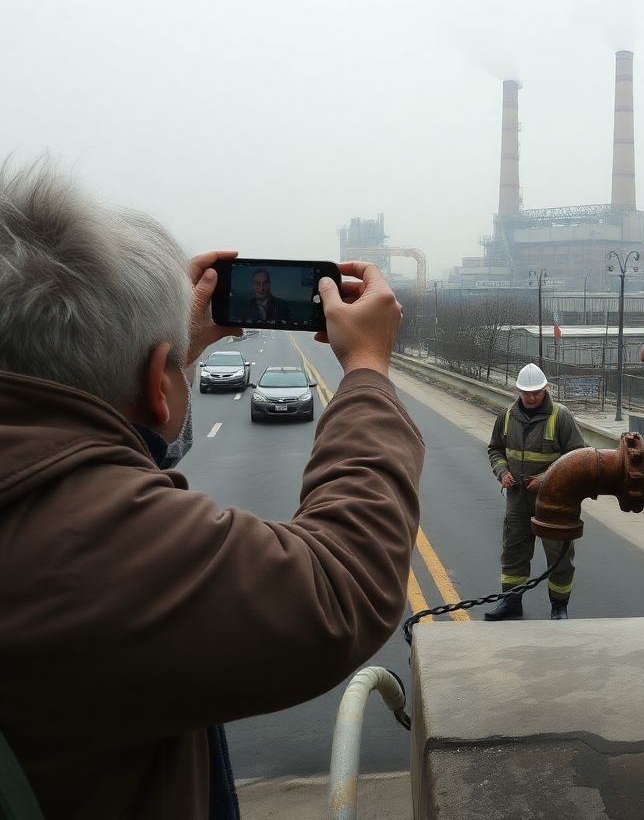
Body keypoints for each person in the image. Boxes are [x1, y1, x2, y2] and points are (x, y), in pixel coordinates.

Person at [0, 159, 424, 819]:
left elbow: (105, 431)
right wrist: (367, 370)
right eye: (172, 368)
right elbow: (342, 582)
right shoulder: (93, 548)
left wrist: (162, 349)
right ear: (154, 382)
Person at [485, 362, 587, 621]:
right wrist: (502, 472)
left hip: (554, 502)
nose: (532, 397)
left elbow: (577, 458)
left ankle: (559, 607)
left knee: (559, 555)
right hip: (518, 500)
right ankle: (511, 602)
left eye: (537, 392)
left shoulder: (560, 417)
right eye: (526, 392)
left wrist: (545, 479)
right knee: (514, 552)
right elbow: (495, 449)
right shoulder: (507, 416)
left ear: (545, 389)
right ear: (518, 390)